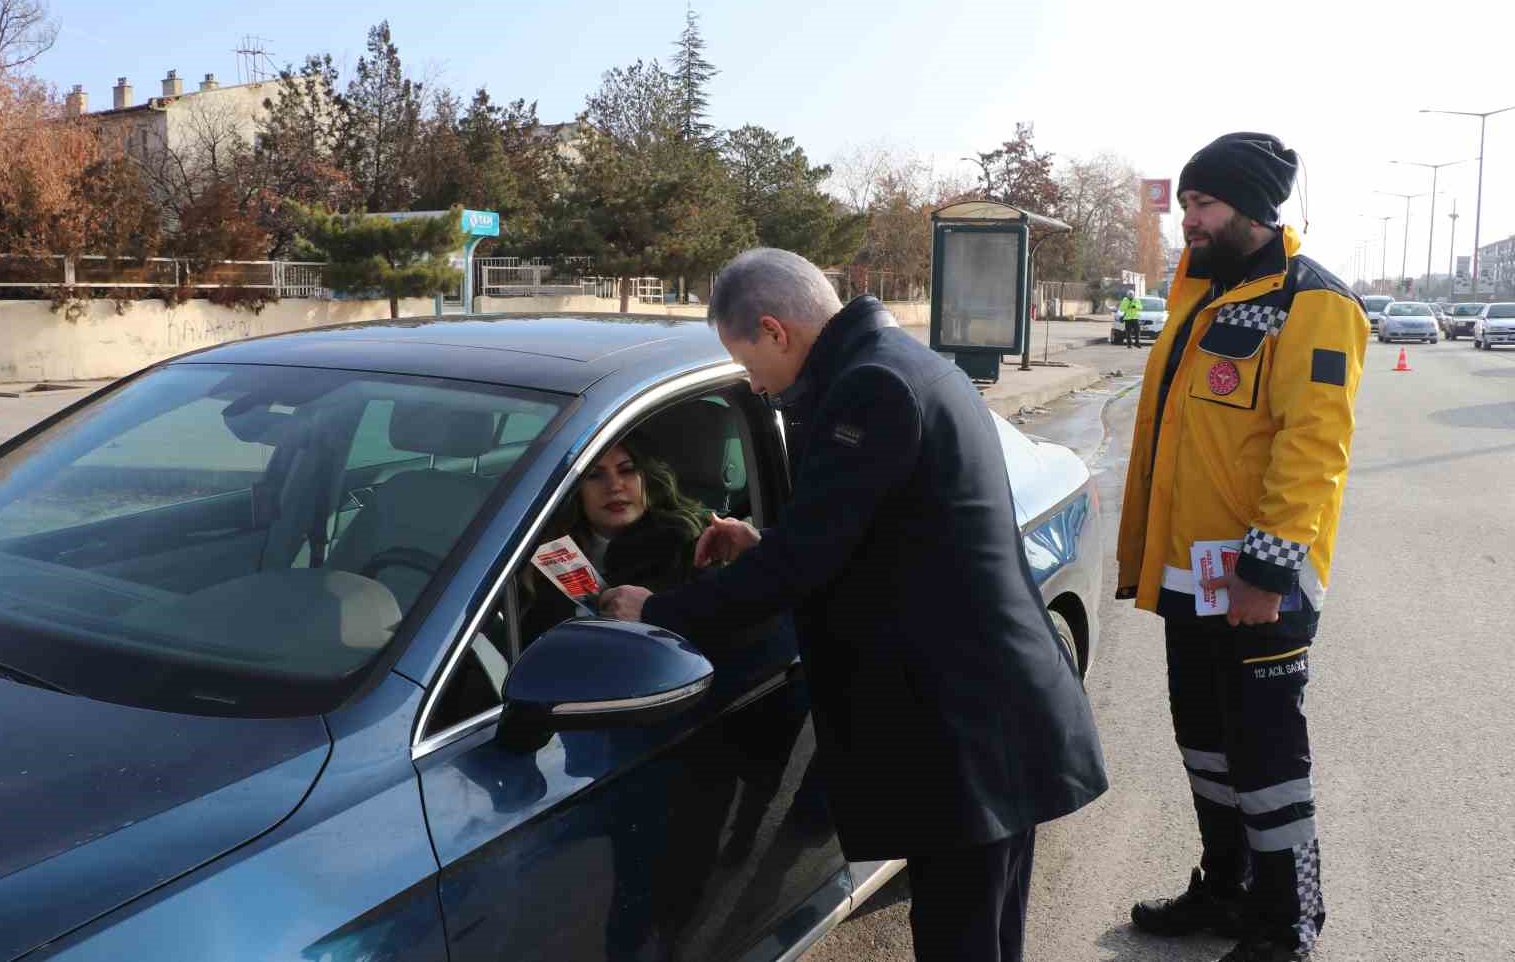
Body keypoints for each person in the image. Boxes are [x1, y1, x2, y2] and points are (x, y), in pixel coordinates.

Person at [600, 248, 1108, 962]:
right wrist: (765, 540)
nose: (753, 381)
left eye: (747, 361)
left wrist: (659, 612)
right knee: (984, 937)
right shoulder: (893, 360)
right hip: (982, 714)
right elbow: (866, 528)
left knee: (965, 941)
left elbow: (804, 565)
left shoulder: (869, 387)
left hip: (964, 732)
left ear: (775, 330)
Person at [1116, 133, 1368, 962]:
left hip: (1264, 584)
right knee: (1204, 745)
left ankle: (1286, 926)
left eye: (1205, 203)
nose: (1190, 218)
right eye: (1186, 202)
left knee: (1268, 764)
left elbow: (1312, 451)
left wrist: (1266, 571)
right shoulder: (1198, 293)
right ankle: (1226, 889)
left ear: (1254, 208)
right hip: (1192, 577)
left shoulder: (1313, 302)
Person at [521, 432, 709, 639]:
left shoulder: (689, 545)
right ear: (574, 489)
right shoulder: (540, 547)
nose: (614, 486)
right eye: (595, 475)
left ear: (646, 478)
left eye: (626, 470)